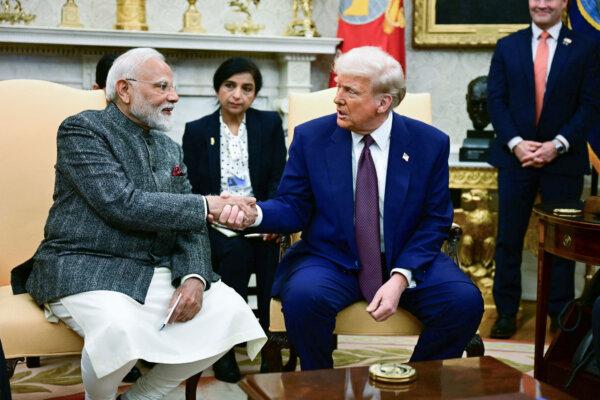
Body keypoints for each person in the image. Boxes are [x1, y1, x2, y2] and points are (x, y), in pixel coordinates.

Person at [23, 47, 265, 400]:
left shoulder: (169, 148)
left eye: (173, 87)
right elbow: (121, 203)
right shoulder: (83, 130)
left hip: (151, 269)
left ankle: (141, 396)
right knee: (118, 328)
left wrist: (195, 277)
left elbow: (190, 223)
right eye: (163, 86)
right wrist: (207, 205)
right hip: (83, 264)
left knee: (230, 311)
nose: (174, 96)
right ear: (124, 90)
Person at [221, 46, 484, 370]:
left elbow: (434, 220)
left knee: (464, 302)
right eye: (338, 86)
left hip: (407, 257)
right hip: (332, 258)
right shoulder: (311, 137)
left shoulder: (429, 143)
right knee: (304, 297)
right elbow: (294, 205)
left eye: (350, 90)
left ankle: (411, 383)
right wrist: (254, 214)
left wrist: (401, 277)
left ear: (383, 102)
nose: (337, 98)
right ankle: (321, 385)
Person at [487, 0, 600, 339]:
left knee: (562, 243)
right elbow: (496, 100)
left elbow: (591, 103)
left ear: (564, 3)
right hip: (515, 158)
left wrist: (557, 144)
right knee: (508, 238)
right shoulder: (507, 46)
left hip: (562, 160)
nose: (542, 4)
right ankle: (506, 312)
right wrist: (517, 143)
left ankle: (559, 314)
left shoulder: (586, 47)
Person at [181, 57, 286, 382]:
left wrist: (269, 219)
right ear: (218, 88)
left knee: (274, 262)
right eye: (230, 85)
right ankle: (226, 350)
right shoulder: (197, 130)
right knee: (233, 261)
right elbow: (193, 187)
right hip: (218, 224)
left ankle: (271, 344)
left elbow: (278, 177)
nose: (237, 94)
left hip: (261, 222)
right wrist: (216, 213)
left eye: (247, 88)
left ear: (254, 94)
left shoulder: (268, 125)